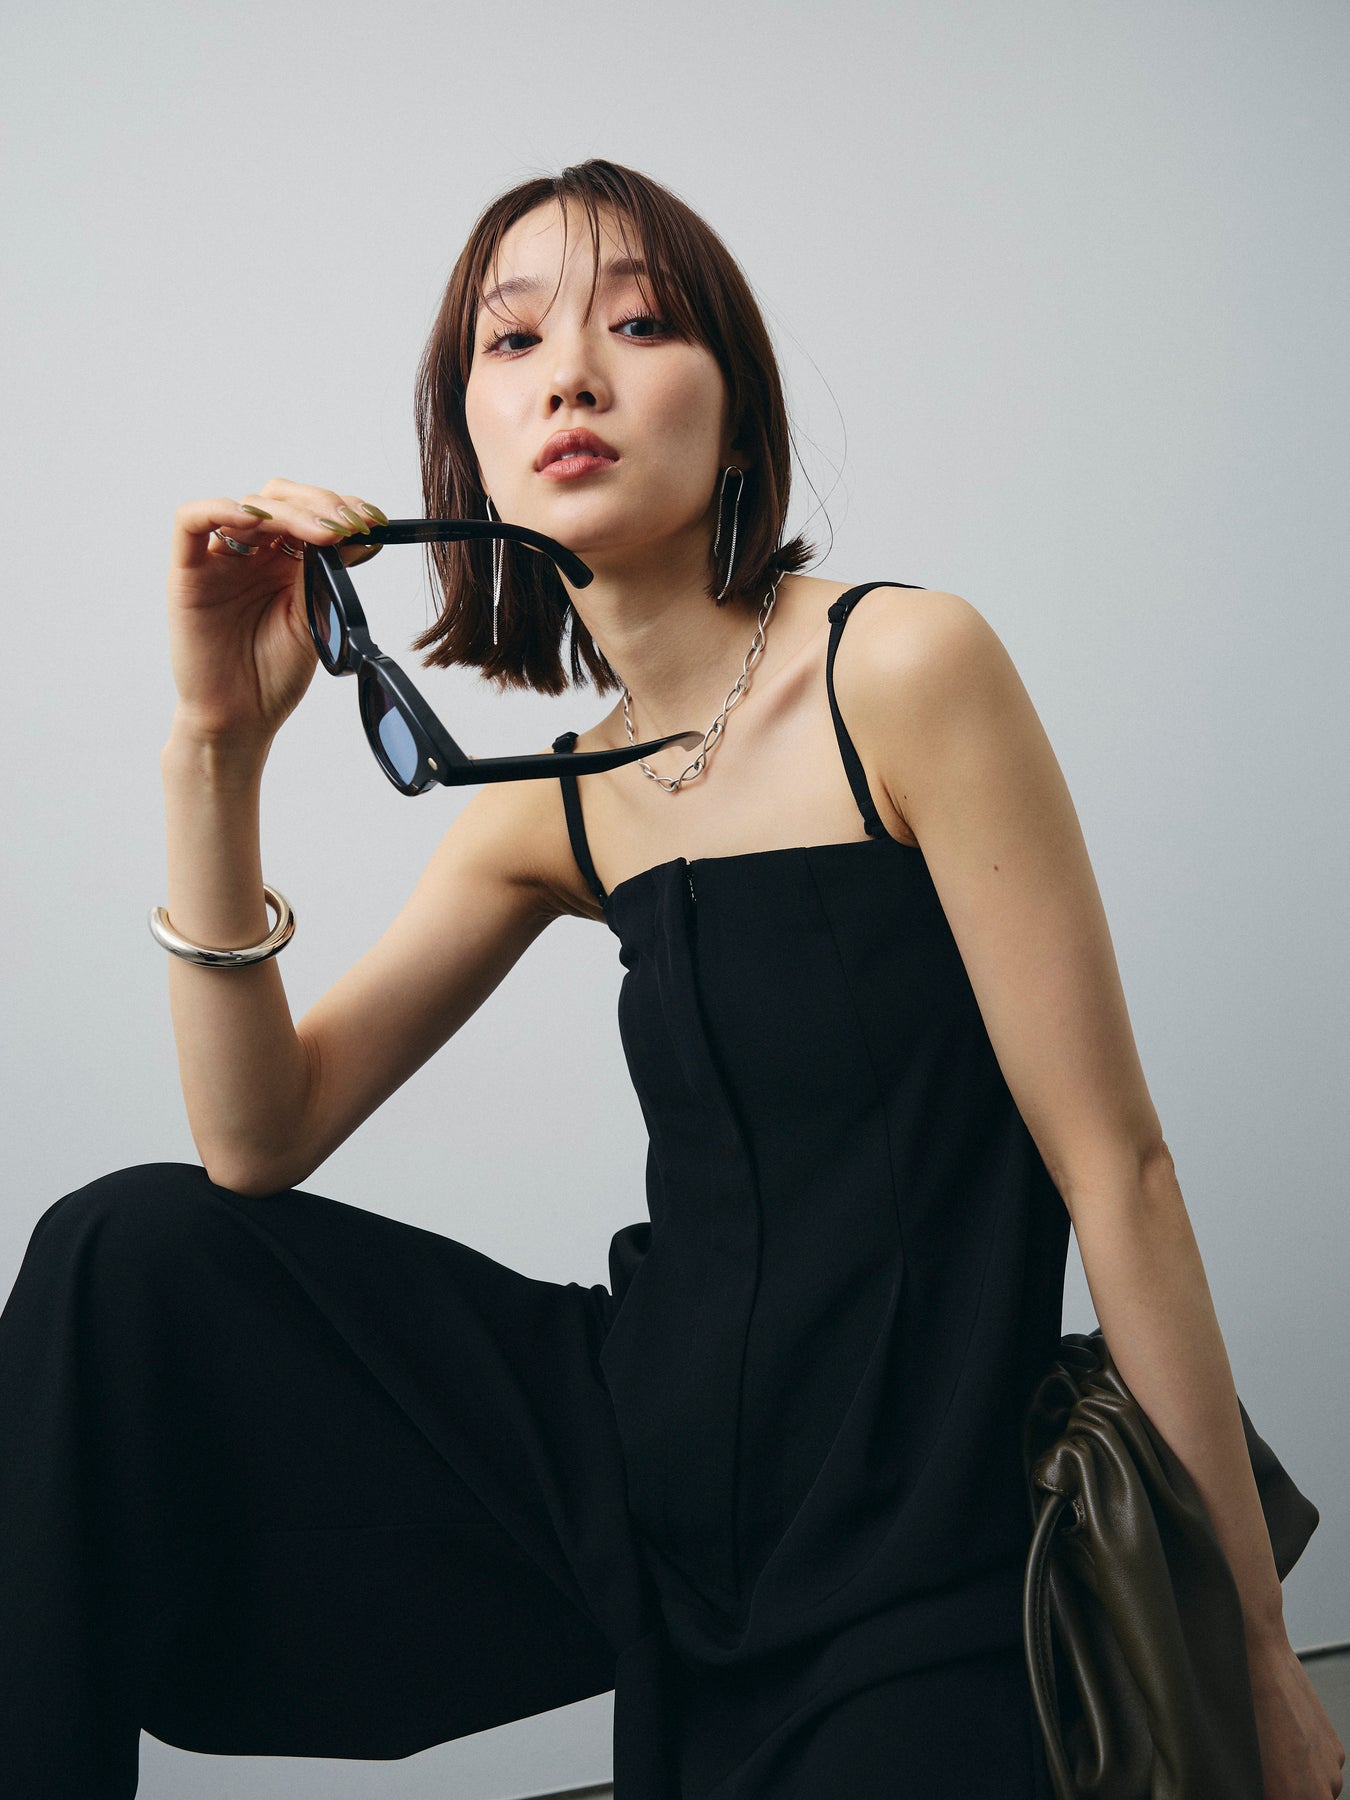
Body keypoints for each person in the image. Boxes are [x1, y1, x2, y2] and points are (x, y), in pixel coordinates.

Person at [0, 158, 1341, 1800]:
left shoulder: (898, 667)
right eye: (513, 342)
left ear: (736, 409)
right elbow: (255, 1140)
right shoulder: (554, 803)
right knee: (118, 1254)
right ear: (466, 441)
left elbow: (1114, 1168)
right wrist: (215, 749)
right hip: (641, 1481)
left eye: (636, 324)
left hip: (916, 1539)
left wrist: (1252, 1652)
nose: (570, 374)